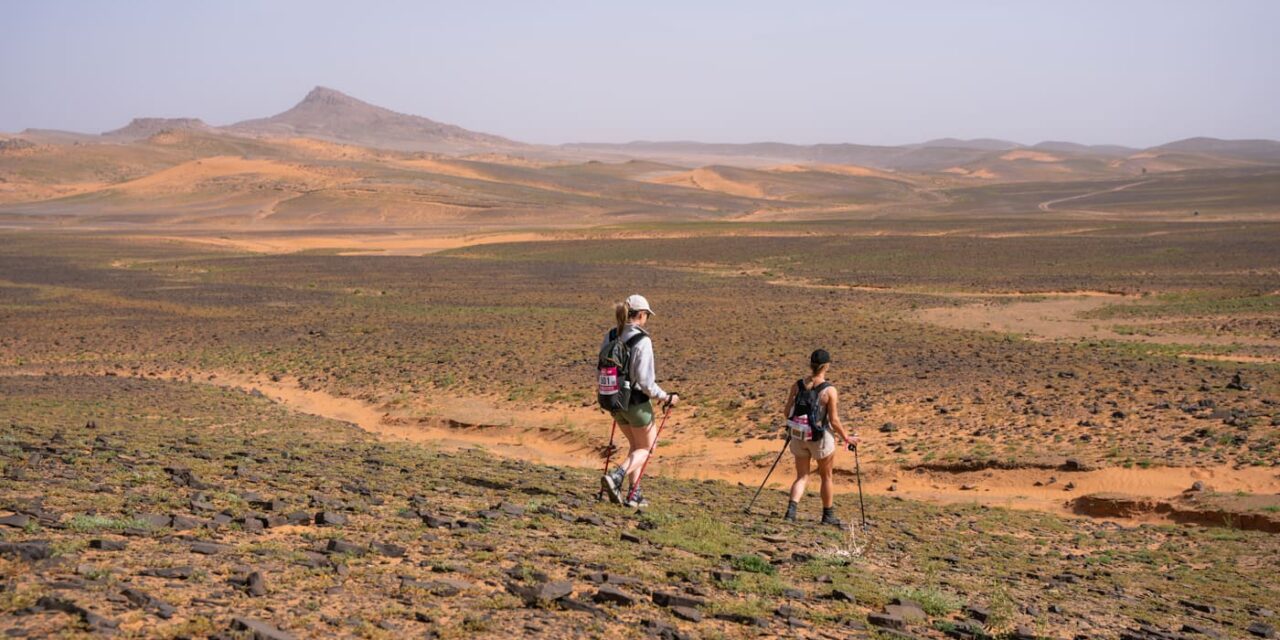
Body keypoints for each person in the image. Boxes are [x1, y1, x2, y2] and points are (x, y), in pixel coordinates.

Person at [600, 294, 679, 508]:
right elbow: (646, 382)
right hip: (636, 404)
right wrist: (667, 397)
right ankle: (617, 476)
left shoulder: (610, 336)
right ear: (641, 315)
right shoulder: (642, 341)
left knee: (637, 446)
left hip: (615, 403)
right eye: (646, 316)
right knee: (649, 447)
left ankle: (634, 494)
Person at [782, 349, 858, 526]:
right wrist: (847, 438)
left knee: (801, 476)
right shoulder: (829, 390)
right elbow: (834, 420)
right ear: (826, 366)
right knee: (826, 477)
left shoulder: (798, 384)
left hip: (798, 436)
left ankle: (790, 513)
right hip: (820, 438)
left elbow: (787, 412)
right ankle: (827, 515)